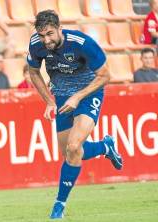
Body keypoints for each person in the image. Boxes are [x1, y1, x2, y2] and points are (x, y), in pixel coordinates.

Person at [27, 10, 123, 219]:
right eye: (42, 35)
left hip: (88, 92)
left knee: (73, 145)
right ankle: (105, 146)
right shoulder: (36, 44)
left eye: (50, 34)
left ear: (59, 28)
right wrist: (49, 101)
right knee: (70, 153)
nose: (46, 40)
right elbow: (33, 71)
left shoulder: (82, 43)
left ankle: (58, 206)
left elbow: (106, 75)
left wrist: (78, 97)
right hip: (61, 95)